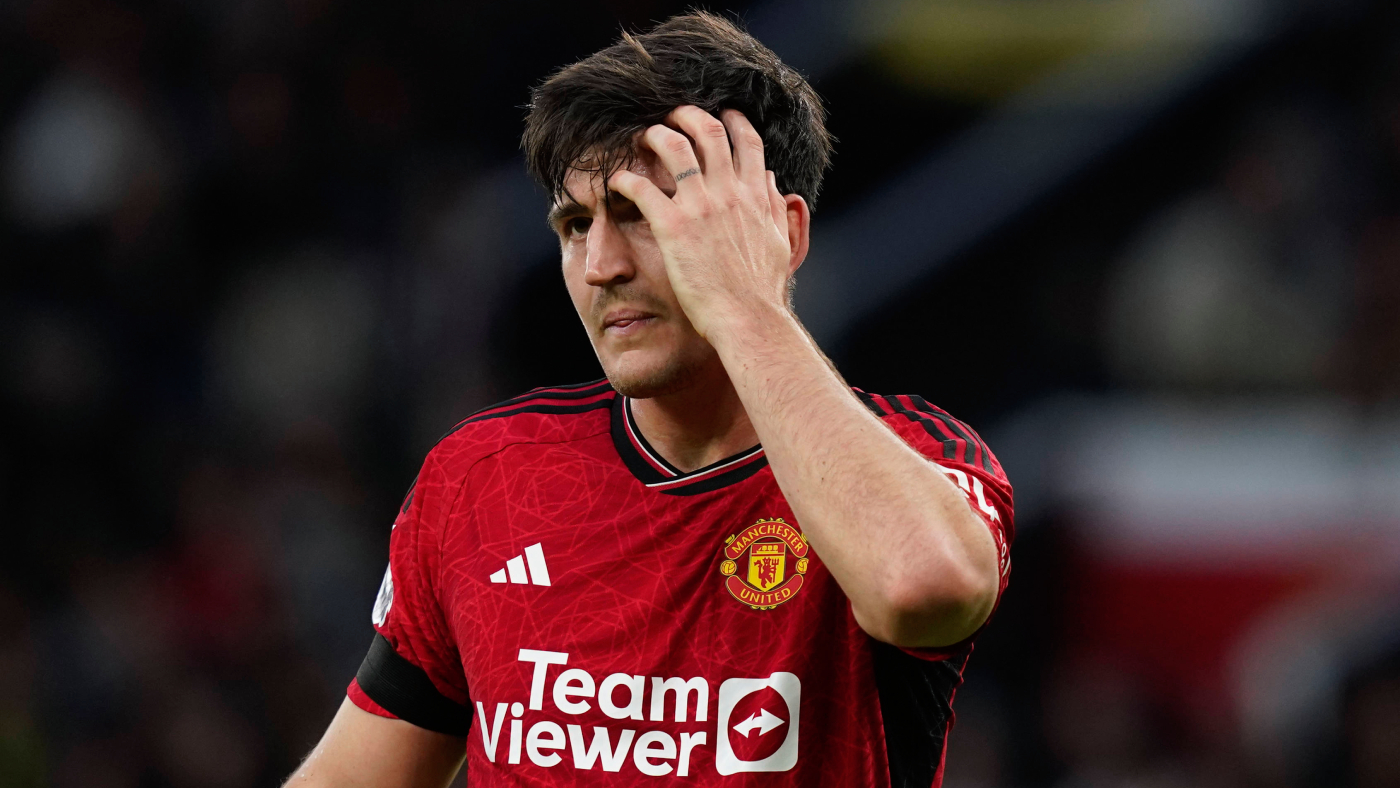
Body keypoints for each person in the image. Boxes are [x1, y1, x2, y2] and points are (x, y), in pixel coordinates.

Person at [285, 12, 1012, 788]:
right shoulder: (484, 476)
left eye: (643, 215)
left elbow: (922, 589)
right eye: (576, 224)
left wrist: (742, 301)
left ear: (781, 234)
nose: (600, 265)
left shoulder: (918, 458)